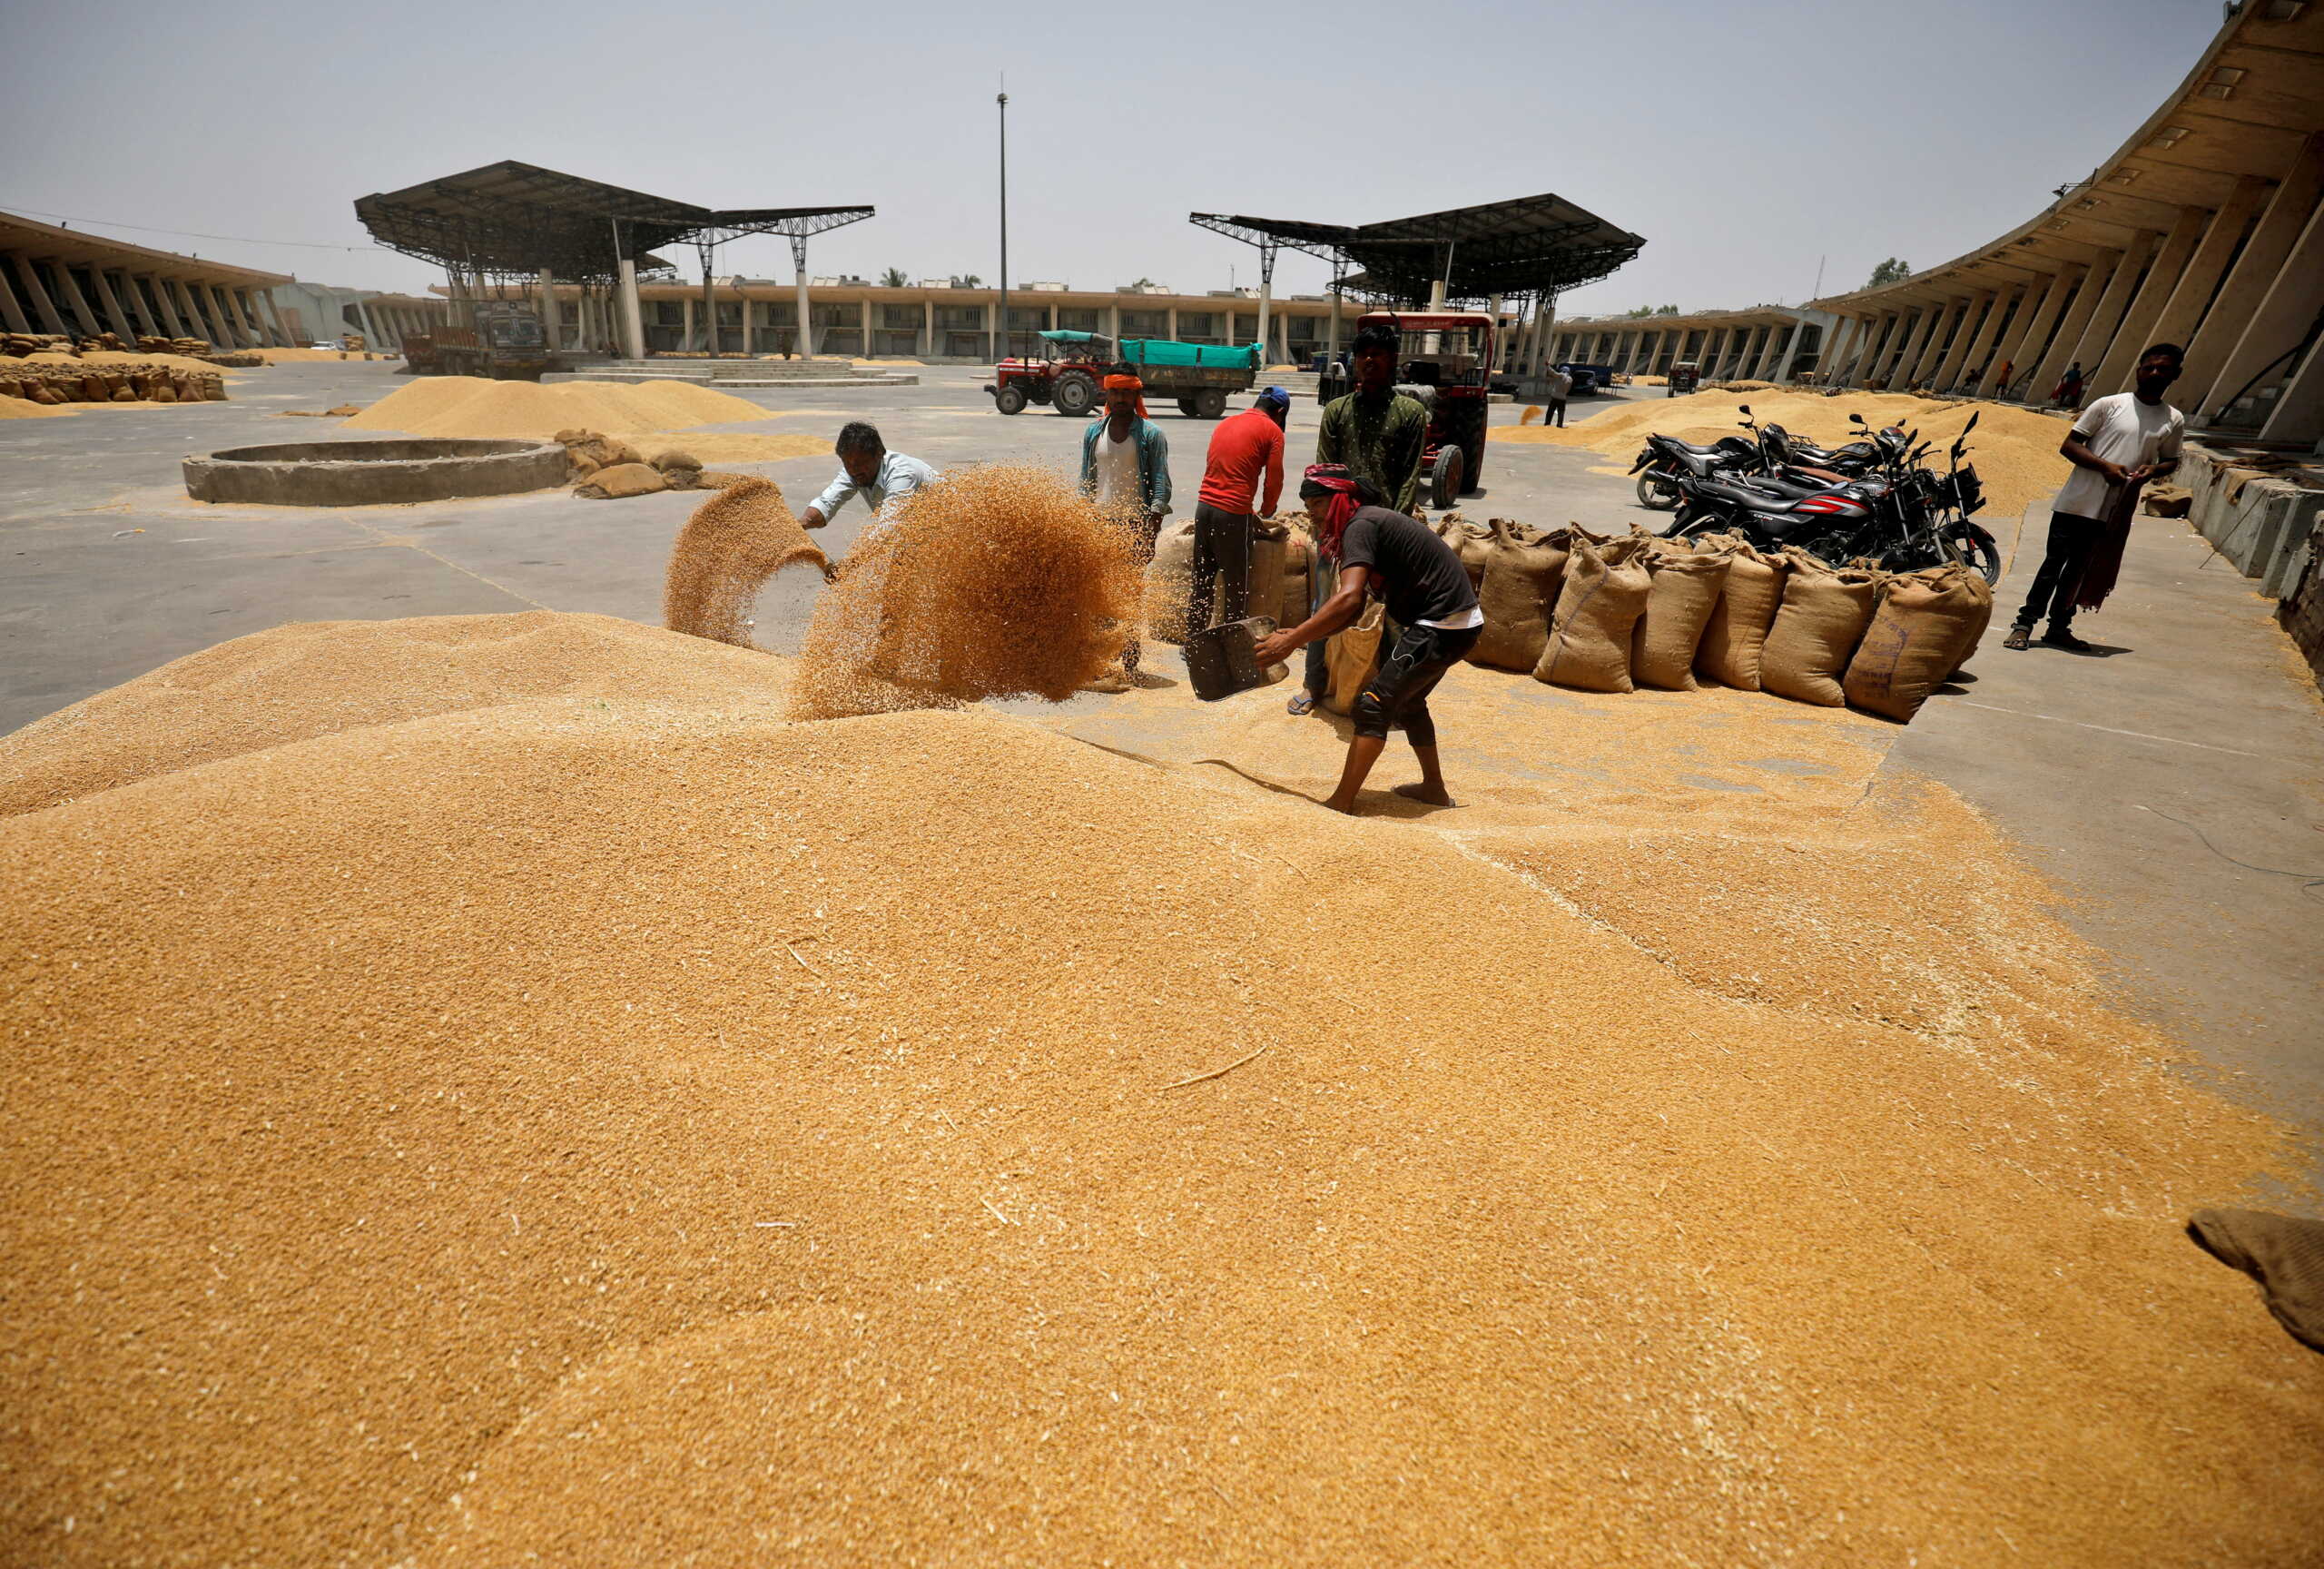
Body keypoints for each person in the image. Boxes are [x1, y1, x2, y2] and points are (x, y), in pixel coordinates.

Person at [1254, 464, 1482, 814]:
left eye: (1316, 504)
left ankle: (1341, 802)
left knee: (1373, 705)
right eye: (1307, 504)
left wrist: (1292, 639)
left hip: (1442, 624)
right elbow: (1353, 607)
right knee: (1409, 703)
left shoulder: (1359, 526)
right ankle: (1433, 789)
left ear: (1340, 499)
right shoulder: (1365, 522)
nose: (1310, 513)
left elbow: (1347, 598)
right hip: (1454, 622)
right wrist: (1300, 637)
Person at [2005, 343, 2185, 653]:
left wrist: (2152, 469)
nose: (2155, 373)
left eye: (2163, 369)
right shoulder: (2109, 405)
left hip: (2113, 511)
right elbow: (2070, 445)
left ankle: (2059, 628)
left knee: (2080, 570)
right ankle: (2024, 625)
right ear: (2139, 370)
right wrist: (2105, 467)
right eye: (2149, 367)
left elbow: (2172, 460)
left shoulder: (2173, 418)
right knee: (2053, 566)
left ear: (2176, 374)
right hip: (2076, 502)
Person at [1295, 324, 1428, 714]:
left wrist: (1394, 532)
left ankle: (1391, 696)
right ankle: (1313, 684)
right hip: (1338, 531)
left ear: (1393, 361)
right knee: (1324, 605)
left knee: (1394, 615)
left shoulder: (1410, 413)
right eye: (1363, 354)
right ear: (1354, 362)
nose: (1370, 360)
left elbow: (1409, 477)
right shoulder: (1337, 412)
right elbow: (1322, 477)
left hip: (1386, 531)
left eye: (1379, 354)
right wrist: (1328, 527)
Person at [1077, 371, 1171, 687]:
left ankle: (1130, 665)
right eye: (1114, 393)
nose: (1120, 400)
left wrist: (1152, 525)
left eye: (1126, 394)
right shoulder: (1093, 432)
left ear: (1136, 396)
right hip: (1099, 525)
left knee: (1129, 598)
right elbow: (1086, 481)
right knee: (1099, 598)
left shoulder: (1150, 434)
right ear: (1107, 394)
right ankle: (1100, 665)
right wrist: (1080, 517)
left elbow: (1161, 483)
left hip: (1133, 526)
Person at [1188, 386, 1289, 634]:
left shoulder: (1226, 422)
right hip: (1232, 514)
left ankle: (1193, 641)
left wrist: (1249, 511)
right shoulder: (1272, 431)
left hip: (1204, 508)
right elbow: (1274, 479)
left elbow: (1221, 467)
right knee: (1237, 585)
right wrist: (1267, 510)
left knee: (1202, 580)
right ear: (1280, 411)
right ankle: (1230, 642)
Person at [800, 421, 939, 580]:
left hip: (950, 532)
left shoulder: (902, 474)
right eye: (847, 464)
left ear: (878, 453)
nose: (853, 470)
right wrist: (802, 523)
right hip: (913, 534)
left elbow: (887, 529)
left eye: (859, 464)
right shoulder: (853, 471)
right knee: (897, 590)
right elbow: (827, 502)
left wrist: (849, 566)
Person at [1543, 363, 1572, 428]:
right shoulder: (1570, 379)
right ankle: (1559, 425)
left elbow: (1553, 373)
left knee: (1550, 411)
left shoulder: (1561, 375)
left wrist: (1548, 366)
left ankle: (1547, 424)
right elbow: (1568, 389)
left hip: (1555, 397)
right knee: (1561, 412)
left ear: (1562, 370)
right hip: (1563, 398)